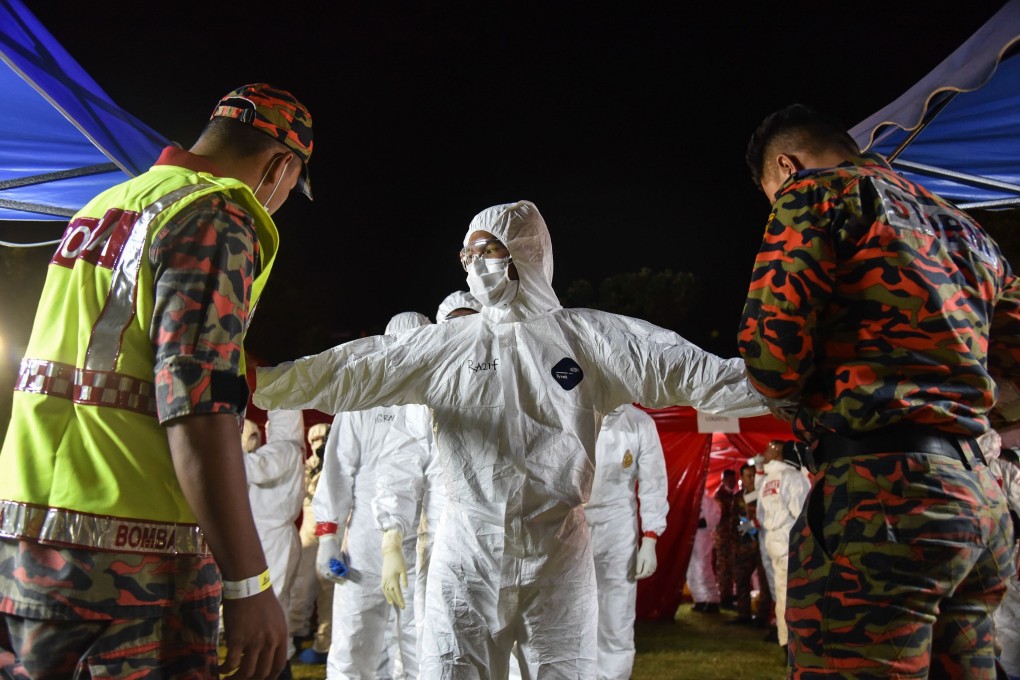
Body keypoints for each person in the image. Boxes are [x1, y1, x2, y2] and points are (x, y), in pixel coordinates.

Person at [254, 199, 769, 676]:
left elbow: (688, 369)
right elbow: (357, 367)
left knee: (561, 668)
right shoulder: (448, 346)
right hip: (468, 549)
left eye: (490, 249)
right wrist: (261, 383)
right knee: (453, 668)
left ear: (526, 251)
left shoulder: (589, 340)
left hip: (557, 552)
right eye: (467, 254)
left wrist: (786, 385)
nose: (477, 263)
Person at [0, 83, 312, 679]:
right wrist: (249, 581)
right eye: (289, 190)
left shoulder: (107, 206)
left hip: (30, 536)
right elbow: (198, 405)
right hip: (132, 562)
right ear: (279, 167)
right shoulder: (216, 214)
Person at [739, 103, 1017, 678]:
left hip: (881, 501)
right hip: (979, 500)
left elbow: (771, 359)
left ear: (786, 167)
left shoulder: (814, 195)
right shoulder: (963, 224)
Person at [314, 311, 432, 679]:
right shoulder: (363, 399)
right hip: (367, 538)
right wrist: (327, 536)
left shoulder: (438, 399)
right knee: (356, 635)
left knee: (421, 640)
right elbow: (338, 468)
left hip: (425, 537)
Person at [376, 291, 481, 659]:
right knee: (440, 644)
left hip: (505, 540)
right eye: (455, 326)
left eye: (472, 322)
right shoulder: (427, 392)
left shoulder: (514, 379)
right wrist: (392, 537)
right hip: (441, 539)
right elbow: (402, 463)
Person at [584, 403, 668, 680]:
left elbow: (653, 482)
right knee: (562, 611)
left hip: (617, 527)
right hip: (569, 525)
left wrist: (651, 537)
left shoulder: (639, 423)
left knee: (616, 616)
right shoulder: (571, 409)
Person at [241, 409, 307, 664]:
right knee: (276, 600)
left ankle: (273, 659)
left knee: (271, 600)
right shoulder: (289, 451)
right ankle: (278, 654)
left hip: (273, 538)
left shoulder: (283, 450)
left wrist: (222, 443)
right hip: (271, 536)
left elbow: (253, 468)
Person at [755, 440, 811, 649]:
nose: (765, 451)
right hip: (790, 542)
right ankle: (792, 643)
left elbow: (761, 514)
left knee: (781, 592)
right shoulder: (792, 478)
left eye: (769, 448)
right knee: (792, 593)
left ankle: (785, 640)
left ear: (778, 451)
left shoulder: (770, 481)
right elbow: (802, 514)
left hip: (773, 541)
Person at [291, 421, 334, 664]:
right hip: (309, 533)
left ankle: (325, 641)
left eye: (324, 440)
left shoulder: (339, 463)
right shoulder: (307, 467)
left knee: (329, 586)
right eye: (315, 440)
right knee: (300, 583)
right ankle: (296, 632)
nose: (319, 445)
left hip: (332, 532)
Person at [730, 464, 771, 628]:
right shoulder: (738, 497)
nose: (752, 479)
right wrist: (734, 544)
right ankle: (743, 614)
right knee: (741, 580)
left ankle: (762, 617)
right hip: (744, 546)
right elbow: (733, 522)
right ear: (741, 478)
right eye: (748, 476)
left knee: (765, 583)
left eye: (754, 475)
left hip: (762, 545)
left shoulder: (764, 494)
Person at [686, 486, 721, 614]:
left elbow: (715, 518)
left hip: (702, 537)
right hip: (690, 538)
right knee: (691, 569)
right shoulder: (689, 499)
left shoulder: (709, 501)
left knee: (703, 567)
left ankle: (713, 600)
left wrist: (702, 522)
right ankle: (699, 598)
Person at [712, 468, 739, 610]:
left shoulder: (731, 495)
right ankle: (724, 597)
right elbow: (726, 514)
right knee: (724, 567)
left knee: (731, 567)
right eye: (729, 480)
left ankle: (729, 595)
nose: (732, 482)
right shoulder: (720, 496)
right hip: (723, 537)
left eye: (733, 480)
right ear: (723, 480)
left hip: (730, 537)